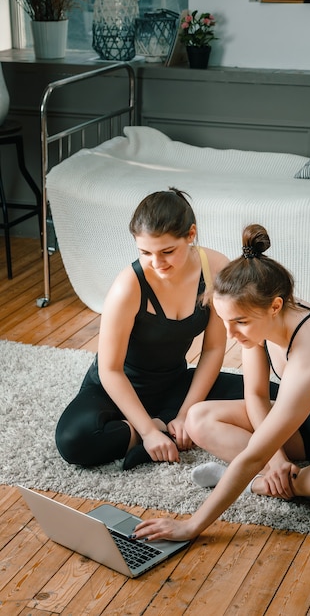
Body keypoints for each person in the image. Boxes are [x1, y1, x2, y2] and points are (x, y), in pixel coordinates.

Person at [129, 223, 310, 543]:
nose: (231, 336)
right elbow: (257, 397)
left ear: (275, 306)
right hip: (306, 422)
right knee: (198, 419)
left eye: (240, 323)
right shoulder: (256, 323)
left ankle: (261, 485)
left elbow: (253, 454)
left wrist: (191, 525)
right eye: (225, 321)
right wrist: (278, 460)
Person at [55, 188, 247, 470]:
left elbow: (214, 349)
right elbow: (110, 370)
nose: (157, 264)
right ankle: (156, 427)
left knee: (274, 396)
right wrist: (147, 432)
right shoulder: (127, 287)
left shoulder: (216, 269)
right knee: (75, 440)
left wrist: (184, 415)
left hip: (174, 385)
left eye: (168, 251)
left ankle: (167, 421)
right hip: (118, 391)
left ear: (190, 235)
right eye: (145, 252)